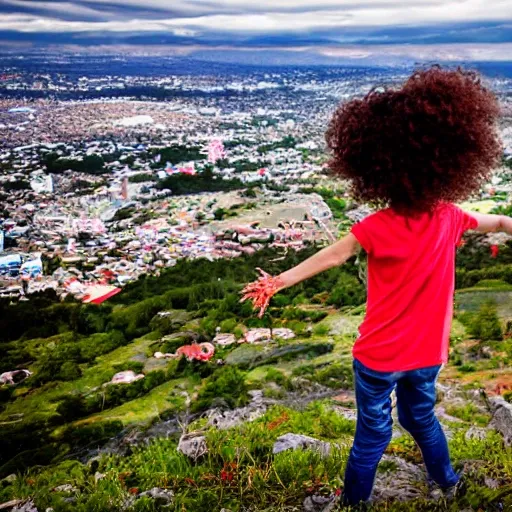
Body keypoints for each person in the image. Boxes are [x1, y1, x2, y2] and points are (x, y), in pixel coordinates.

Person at [241, 66, 506, 507]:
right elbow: (496, 221)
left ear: (376, 166)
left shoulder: (375, 227)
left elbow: (333, 255)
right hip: (427, 355)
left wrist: (278, 281)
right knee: (422, 420)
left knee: (372, 436)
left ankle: (353, 505)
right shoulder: (451, 217)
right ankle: (450, 483)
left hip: (379, 356)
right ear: (451, 161)